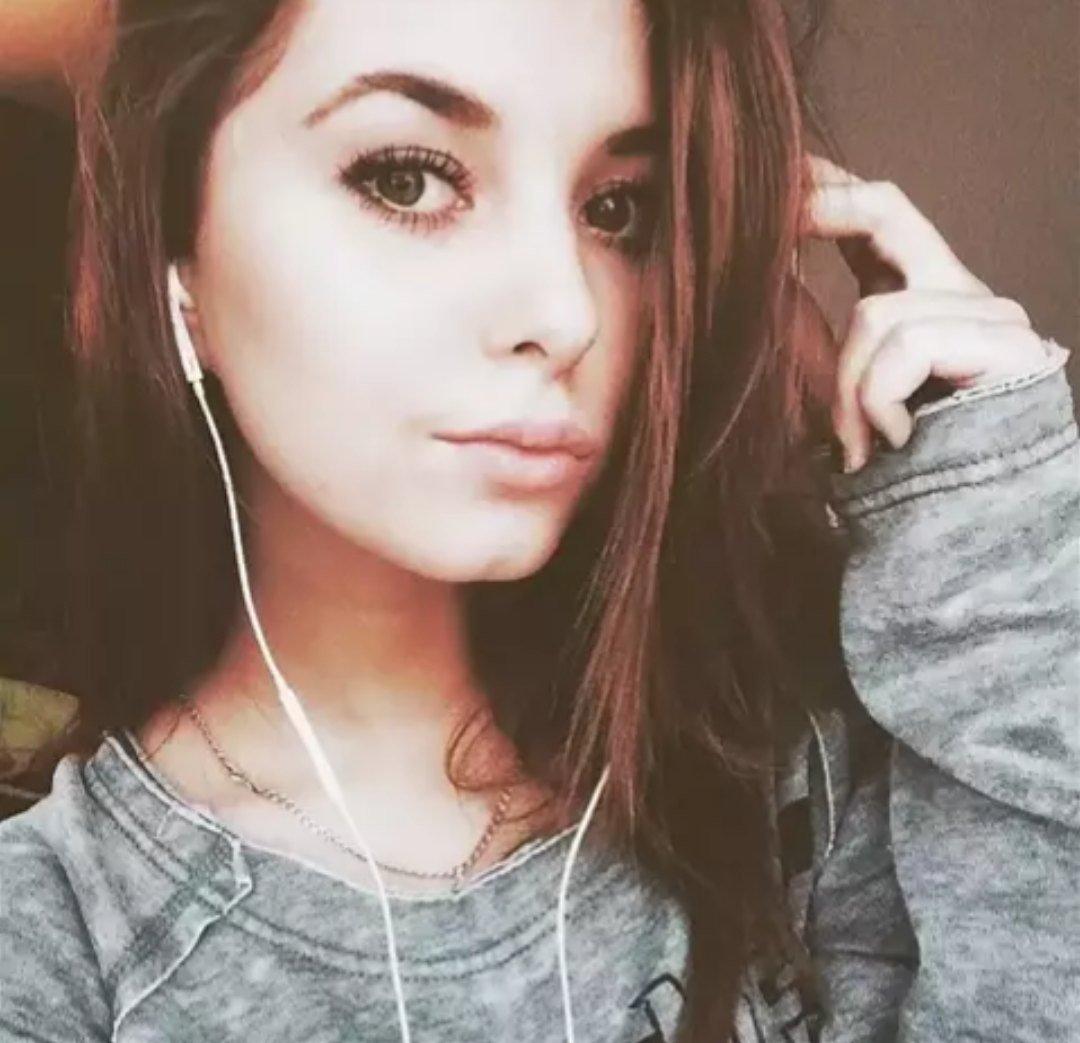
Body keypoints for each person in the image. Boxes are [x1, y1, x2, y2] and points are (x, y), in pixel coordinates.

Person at [1, 0, 1077, 1040]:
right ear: (174, 255)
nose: (566, 314)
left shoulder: (776, 749)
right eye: (408, 177)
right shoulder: (59, 949)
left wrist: (997, 533)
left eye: (617, 210)